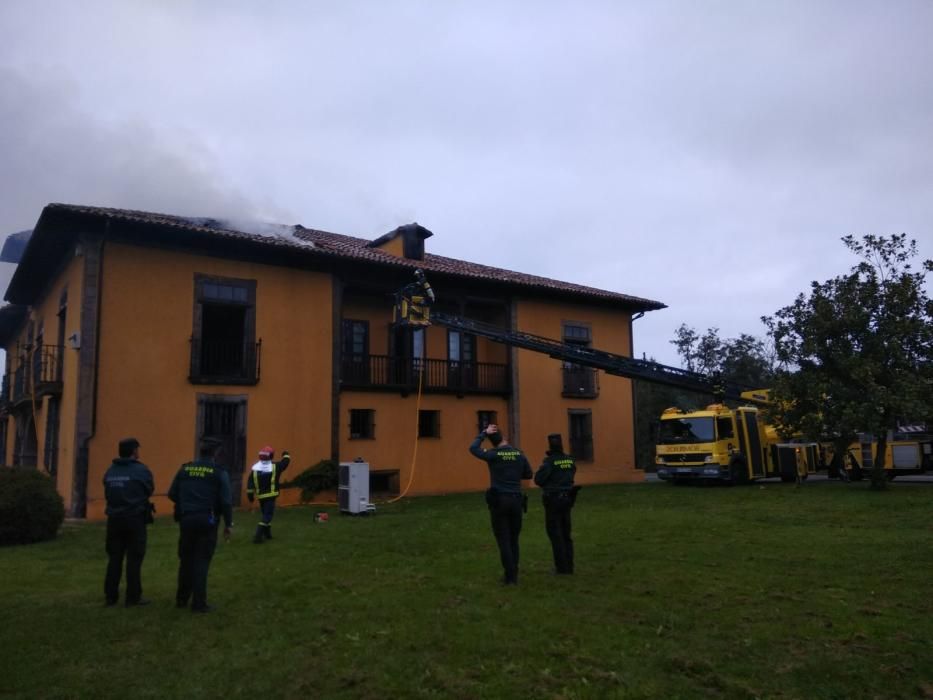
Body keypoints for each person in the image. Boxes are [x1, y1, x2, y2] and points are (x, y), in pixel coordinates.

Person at [167, 437, 233, 613]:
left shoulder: (185, 469)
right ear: (215, 455)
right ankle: (198, 602)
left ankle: (181, 599)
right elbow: (226, 501)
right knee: (202, 560)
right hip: (208, 520)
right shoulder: (219, 472)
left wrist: (187, 502)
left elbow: (172, 493)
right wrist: (228, 523)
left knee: (186, 559)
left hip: (186, 519)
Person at [469, 423, 532, 585]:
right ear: (505, 438)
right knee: (513, 539)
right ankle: (515, 573)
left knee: (503, 539)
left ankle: (510, 577)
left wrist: (483, 433)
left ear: (492, 442)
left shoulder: (493, 454)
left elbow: (473, 448)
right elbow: (528, 474)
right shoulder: (519, 454)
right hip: (517, 500)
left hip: (499, 501)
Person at [102, 437, 154, 607]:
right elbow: (149, 489)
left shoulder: (110, 471)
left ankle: (110, 596)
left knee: (114, 558)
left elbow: (107, 491)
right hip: (134, 519)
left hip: (114, 520)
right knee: (134, 559)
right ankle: (133, 597)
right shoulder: (141, 470)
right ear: (134, 451)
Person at [534, 433, 578, 575]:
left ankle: (561, 568)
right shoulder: (570, 460)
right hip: (567, 499)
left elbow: (539, 480)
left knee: (555, 533)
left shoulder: (550, 462)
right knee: (566, 533)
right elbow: (571, 475)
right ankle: (569, 566)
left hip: (553, 500)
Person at [246, 446, 291, 543]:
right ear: (271, 456)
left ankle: (268, 535)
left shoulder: (255, 469)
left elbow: (250, 484)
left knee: (265, 514)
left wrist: (250, 497)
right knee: (268, 516)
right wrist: (286, 454)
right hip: (270, 496)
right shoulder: (275, 466)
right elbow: (285, 463)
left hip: (261, 497)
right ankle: (258, 536)